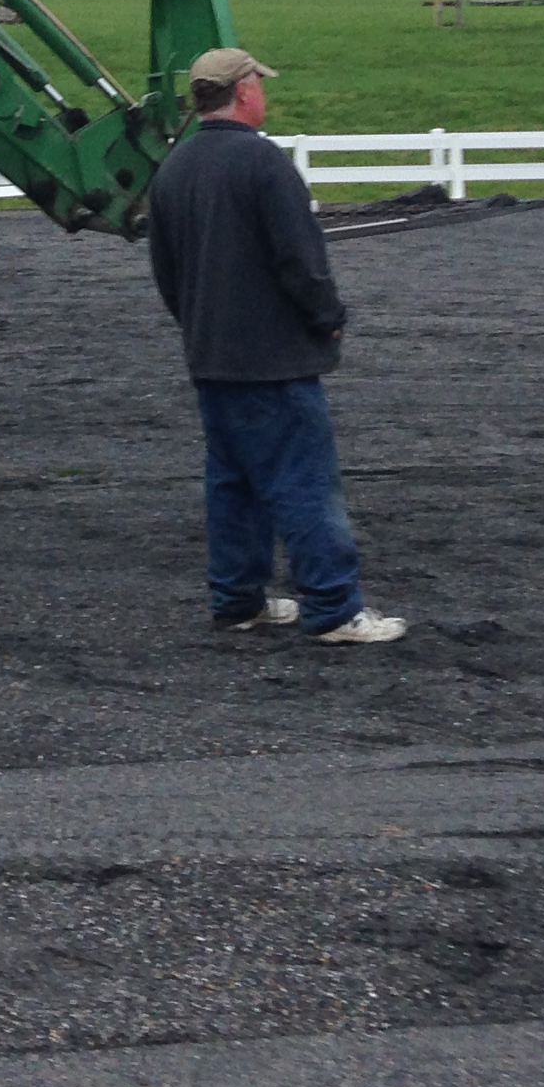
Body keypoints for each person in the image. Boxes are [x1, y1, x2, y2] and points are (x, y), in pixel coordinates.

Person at [145, 46, 404, 643]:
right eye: (259, 84)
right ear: (242, 92)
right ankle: (334, 608)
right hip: (273, 359)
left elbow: (167, 273)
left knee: (232, 481)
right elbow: (301, 258)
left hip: (211, 355)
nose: (265, 93)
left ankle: (238, 599)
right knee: (305, 481)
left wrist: (200, 326)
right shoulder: (263, 164)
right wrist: (328, 317)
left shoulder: (173, 171)